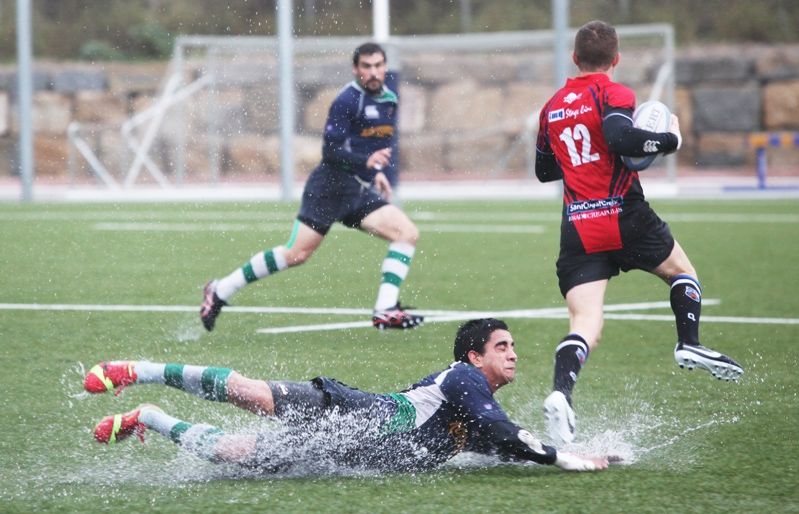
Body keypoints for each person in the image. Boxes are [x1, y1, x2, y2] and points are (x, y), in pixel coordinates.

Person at [534, 20, 743, 445]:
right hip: (625, 214)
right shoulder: (615, 92)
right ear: (616, 59)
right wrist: (668, 141)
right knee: (682, 272)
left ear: (574, 58)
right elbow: (620, 138)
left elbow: (544, 170)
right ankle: (689, 342)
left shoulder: (552, 106)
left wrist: (582, 163)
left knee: (586, 321)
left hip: (579, 227)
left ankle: (561, 393)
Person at [83, 319, 609, 474]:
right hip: (351, 412)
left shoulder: (474, 413)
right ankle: (140, 370)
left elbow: (508, 444)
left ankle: (148, 417)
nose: (514, 354)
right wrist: (563, 459)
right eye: (502, 346)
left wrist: (580, 454)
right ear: (474, 356)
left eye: (513, 347)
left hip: (339, 450)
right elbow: (504, 432)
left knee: (230, 453)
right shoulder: (462, 379)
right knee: (247, 393)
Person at [200, 42, 422, 332]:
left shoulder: (389, 99)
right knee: (295, 254)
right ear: (355, 69)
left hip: (357, 190)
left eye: (378, 65)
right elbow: (330, 151)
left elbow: (371, 142)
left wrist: (376, 170)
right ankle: (220, 290)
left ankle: (385, 309)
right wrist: (365, 162)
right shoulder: (347, 100)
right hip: (329, 188)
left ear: (385, 67)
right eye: (366, 66)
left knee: (406, 233)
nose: (373, 72)